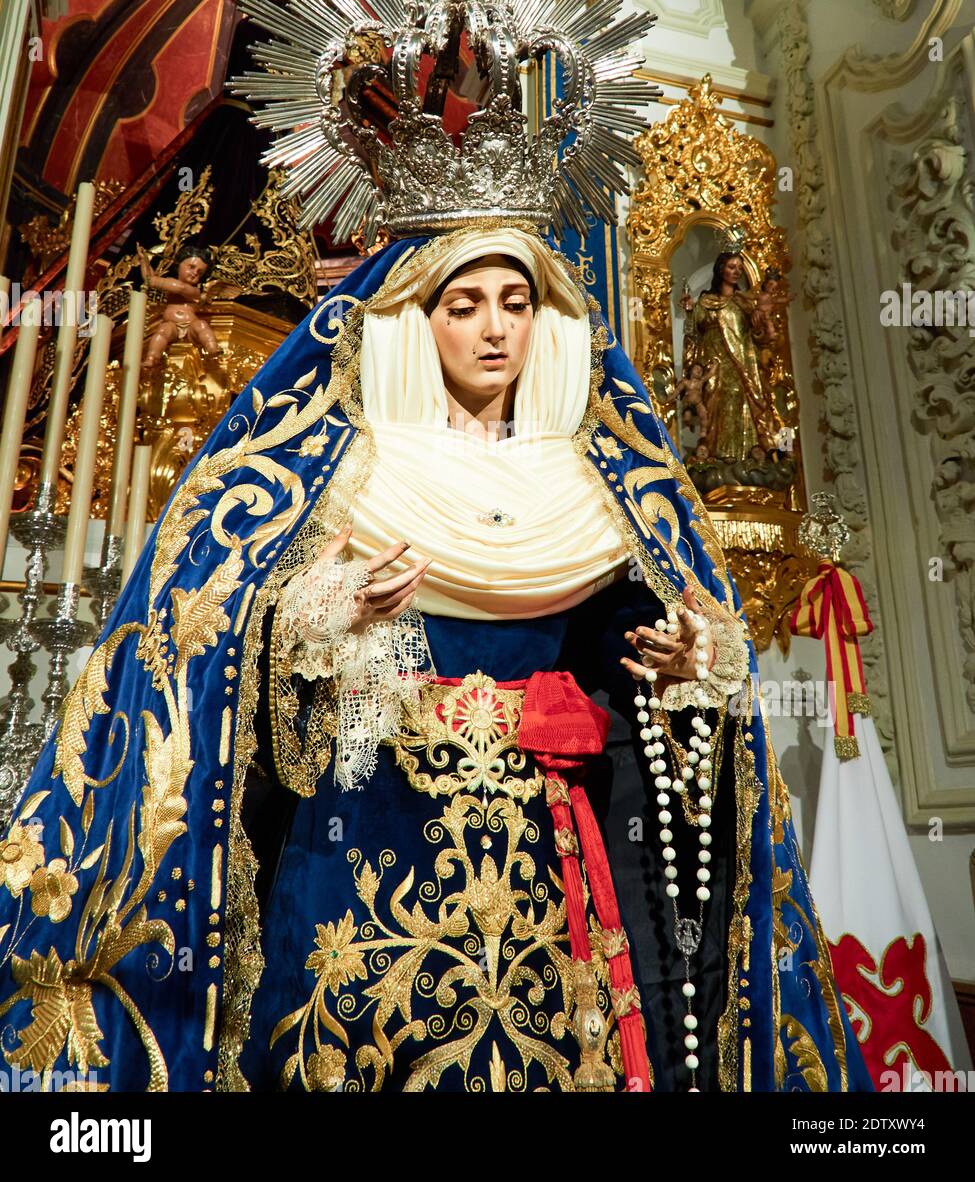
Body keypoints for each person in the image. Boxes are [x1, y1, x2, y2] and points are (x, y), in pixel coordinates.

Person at [0, 224, 872, 1094]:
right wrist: (332, 610)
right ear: (418, 320)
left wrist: (687, 655)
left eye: (515, 304)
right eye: (464, 306)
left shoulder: (592, 482)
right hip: (371, 829)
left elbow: (627, 627)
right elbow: (219, 642)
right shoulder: (345, 466)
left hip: (544, 841)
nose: (494, 329)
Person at [681, 250, 778, 462]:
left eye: (740, 269)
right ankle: (716, 455)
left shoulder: (745, 302)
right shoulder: (706, 302)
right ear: (721, 269)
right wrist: (689, 310)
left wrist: (762, 324)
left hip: (742, 364)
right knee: (716, 401)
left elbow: (758, 336)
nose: (736, 272)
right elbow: (693, 332)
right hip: (714, 363)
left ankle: (749, 455)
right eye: (731, 267)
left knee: (741, 400)